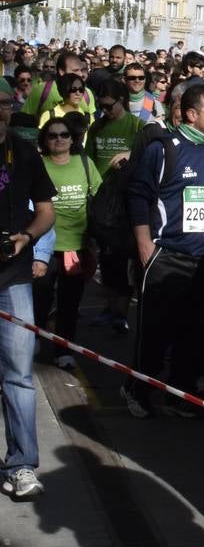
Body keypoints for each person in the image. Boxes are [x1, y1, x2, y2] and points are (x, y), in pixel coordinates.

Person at [122, 84, 204, 418]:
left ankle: (180, 394)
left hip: (203, 260)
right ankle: (137, 389)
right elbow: (138, 195)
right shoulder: (164, 149)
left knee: (193, 334)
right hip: (166, 255)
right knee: (155, 332)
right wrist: (144, 244)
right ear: (192, 114)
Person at [0, 93, 56, 499]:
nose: (0, 111)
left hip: (14, 277)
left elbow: (46, 210)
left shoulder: (23, 152)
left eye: (4, 103)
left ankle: (21, 464)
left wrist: (28, 237)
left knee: (19, 374)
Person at [33, 116, 100, 372]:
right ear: (44, 141)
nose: (59, 139)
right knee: (40, 298)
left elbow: (99, 194)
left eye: (64, 135)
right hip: (44, 247)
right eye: (52, 135)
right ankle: (35, 339)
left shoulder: (85, 163)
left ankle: (63, 350)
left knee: (69, 303)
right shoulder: (38, 165)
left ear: (73, 139)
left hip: (77, 246)